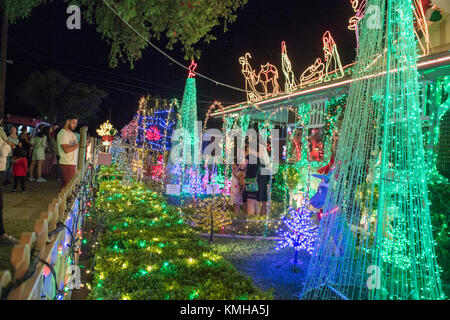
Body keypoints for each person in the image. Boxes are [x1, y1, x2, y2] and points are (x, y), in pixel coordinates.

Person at [57, 116, 79, 190]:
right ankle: (65, 201)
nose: (75, 125)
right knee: (69, 186)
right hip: (67, 163)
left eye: (76, 123)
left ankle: (62, 200)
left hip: (72, 162)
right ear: (67, 121)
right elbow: (66, 149)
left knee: (66, 185)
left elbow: (75, 147)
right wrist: (80, 144)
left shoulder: (72, 134)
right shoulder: (63, 133)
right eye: (74, 123)